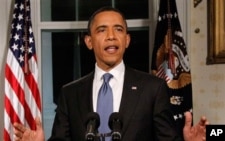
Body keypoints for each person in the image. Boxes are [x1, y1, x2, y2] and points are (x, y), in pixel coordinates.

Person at [14, 6, 209, 141]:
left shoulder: (152, 88)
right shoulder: (70, 93)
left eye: (118, 29)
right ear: (89, 42)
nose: (111, 36)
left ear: (127, 40)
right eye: (102, 30)